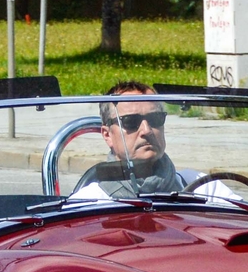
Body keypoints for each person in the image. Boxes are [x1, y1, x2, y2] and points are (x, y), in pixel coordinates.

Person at [66, 81, 210, 200]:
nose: (146, 130)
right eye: (131, 121)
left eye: (155, 119)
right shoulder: (89, 202)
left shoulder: (203, 187)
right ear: (107, 135)